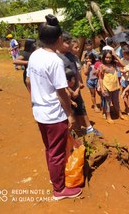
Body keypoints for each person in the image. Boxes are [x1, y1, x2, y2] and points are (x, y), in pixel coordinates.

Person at [26, 14, 82, 200]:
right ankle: (59, 190)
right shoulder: (55, 61)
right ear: (59, 39)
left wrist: (36, 98)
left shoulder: (35, 55)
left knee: (49, 149)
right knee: (57, 152)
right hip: (53, 114)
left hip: (39, 111)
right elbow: (61, 92)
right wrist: (70, 114)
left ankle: (54, 177)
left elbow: (28, 81)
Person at [57, 32, 100, 135]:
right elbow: (59, 78)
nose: (69, 45)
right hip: (66, 91)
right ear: (60, 42)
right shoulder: (57, 58)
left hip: (75, 88)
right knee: (70, 111)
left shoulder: (70, 56)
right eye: (67, 43)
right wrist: (69, 90)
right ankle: (76, 132)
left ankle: (89, 128)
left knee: (81, 107)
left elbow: (76, 72)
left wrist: (77, 89)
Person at [99, 50, 126, 124]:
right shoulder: (102, 66)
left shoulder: (114, 64)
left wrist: (115, 56)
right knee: (108, 102)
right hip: (106, 86)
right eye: (106, 57)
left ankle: (119, 114)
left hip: (115, 86)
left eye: (110, 57)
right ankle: (108, 117)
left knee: (116, 101)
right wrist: (102, 88)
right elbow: (100, 78)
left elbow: (123, 65)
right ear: (104, 57)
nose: (108, 59)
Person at [120, 45, 129, 115]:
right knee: (125, 94)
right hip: (124, 79)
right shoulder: (122, 60)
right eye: (123, 54)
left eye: (124, 54)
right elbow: (120, 69)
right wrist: (123, 71)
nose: (123, 56)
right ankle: (126, 108)